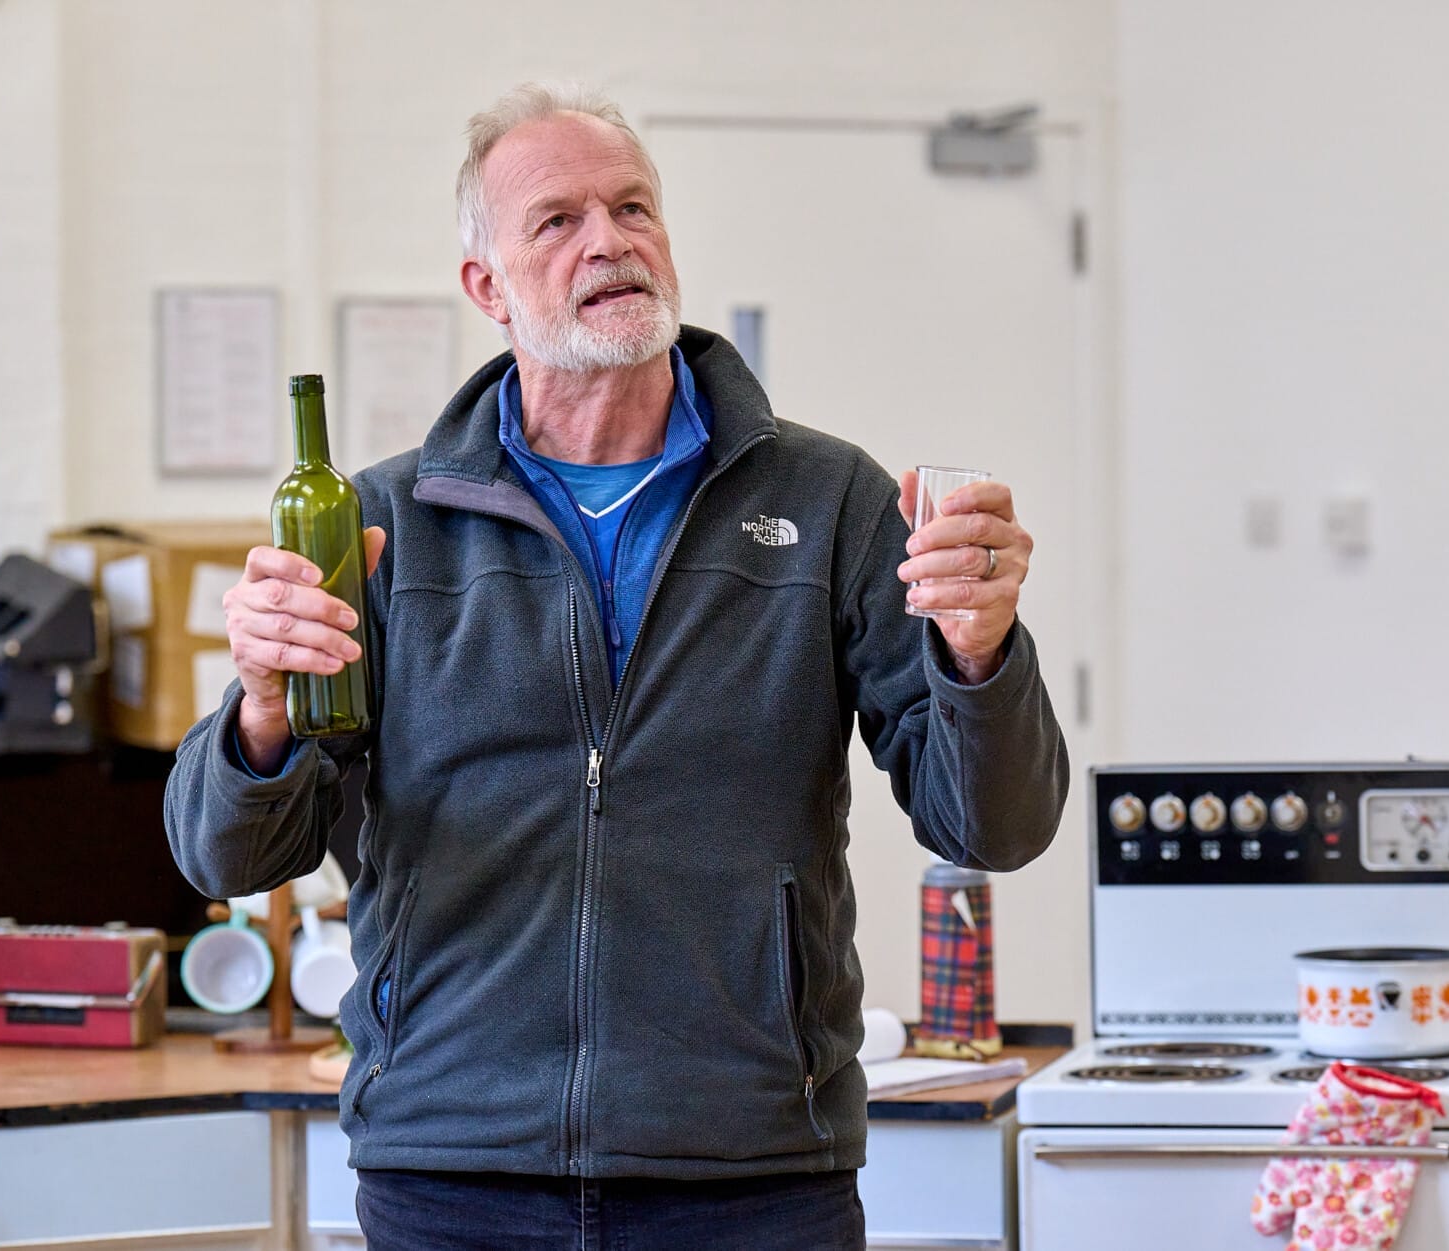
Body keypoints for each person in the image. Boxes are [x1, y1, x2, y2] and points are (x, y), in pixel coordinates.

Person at [165, 81, 1069, 1251]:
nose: (610, 241)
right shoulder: (387, 522)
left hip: (753, 1175)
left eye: (633, 208)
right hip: (453, 1169)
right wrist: (264, 711)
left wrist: (982, 652)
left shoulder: (828, 500)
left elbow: (991, 827)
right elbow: (224, 852)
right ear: (486, 288)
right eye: (557, 221)